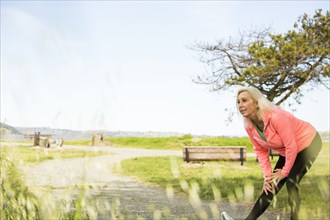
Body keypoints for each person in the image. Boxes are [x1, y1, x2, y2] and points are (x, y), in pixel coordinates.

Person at [221, 87, 322, 220]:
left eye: (244, 100)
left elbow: (291, 145)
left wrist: (284, 172)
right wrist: (267, 177)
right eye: (238, 102)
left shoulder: (277, 117)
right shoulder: (249, 125)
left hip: (309, 143)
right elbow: (260, 150)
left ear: (256, 103)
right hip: (288, 151)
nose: (240, 105)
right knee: (270, 186)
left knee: (291, 181)